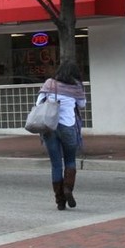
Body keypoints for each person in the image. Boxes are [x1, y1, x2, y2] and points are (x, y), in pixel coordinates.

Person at [36, 61, 86, 211]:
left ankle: (60, 201)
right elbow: (82, 105)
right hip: (68, 126)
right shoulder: (76, 86)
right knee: (70, 160)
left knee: (56, 164)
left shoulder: (49, 83)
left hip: (50, 127)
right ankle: (68, 189)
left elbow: (39, 103)